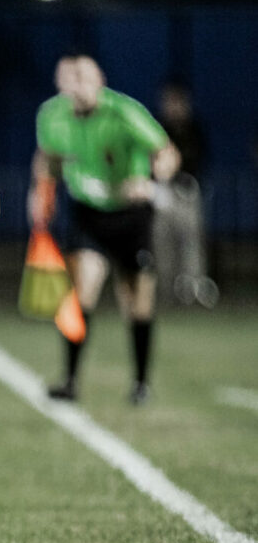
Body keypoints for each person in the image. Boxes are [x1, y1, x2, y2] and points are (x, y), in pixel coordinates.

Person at [27, 54, 171, 405]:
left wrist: (150, 181)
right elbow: (48, 157)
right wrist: (41, 192)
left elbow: (165, 152)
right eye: (67, 77)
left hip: (130, 214)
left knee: (136, 300)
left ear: (99, 80)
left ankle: (140, 383)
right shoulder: (51, 114)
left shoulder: (123, 111)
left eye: (81, 76)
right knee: (82, 291)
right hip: (88, 213)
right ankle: (71, 380)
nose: (74, 83)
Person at [153, 80, 217, 308]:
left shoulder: (194, 128)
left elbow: (200, 158)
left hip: (187, 190)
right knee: (162, 242)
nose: (172, 106)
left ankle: (193, 289)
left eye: (177, 101)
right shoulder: (157, 128)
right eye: (168, 101)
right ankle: (166, 291)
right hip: (162, 192)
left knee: (191, 241)